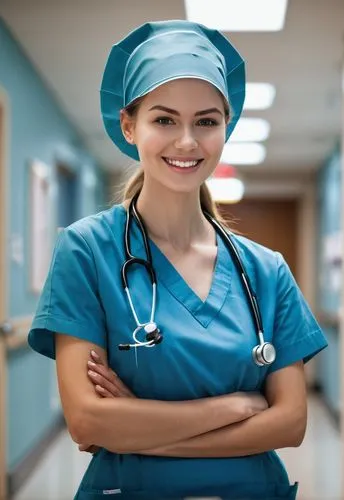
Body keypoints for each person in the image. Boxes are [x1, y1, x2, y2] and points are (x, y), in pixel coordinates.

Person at [28, 19, 328, 500]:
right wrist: (233, 407)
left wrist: (142, 433)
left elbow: (290, 423)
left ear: (224, 127)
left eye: (206, 121)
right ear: (129, 125)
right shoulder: (87, 251)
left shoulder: (266, 271)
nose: (187, 142)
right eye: (164, 119)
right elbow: (87, 420)